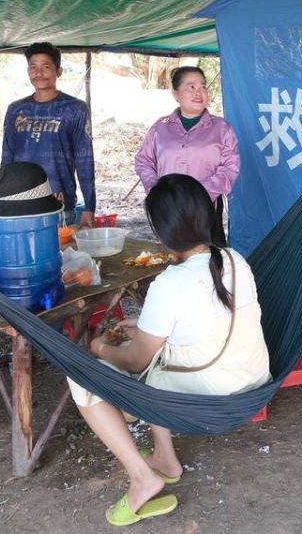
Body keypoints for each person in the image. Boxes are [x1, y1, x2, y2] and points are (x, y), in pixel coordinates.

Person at [69, 174, 271, 526]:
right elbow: (208, 319)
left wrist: (99, 347)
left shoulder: (170, 283)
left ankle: (142, 478)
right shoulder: (235, 259)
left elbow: (136, 360)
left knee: (80, 377)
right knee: (162, 358)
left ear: (162, 233)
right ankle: (164, 458)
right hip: (253, 382)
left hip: (210, 397)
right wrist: (146, 327)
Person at [134, 65, 239, 246]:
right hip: (169, 208)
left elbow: (230, 168)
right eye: (191, 87)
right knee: (172, 255)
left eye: (203, 87)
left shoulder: (221, 128)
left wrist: (199, 194)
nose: (199, 92)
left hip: (205, 207)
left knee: (207, 256)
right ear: (176, 94)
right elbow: (144, 161)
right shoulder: (160, 127)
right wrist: (157, 190)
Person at [0, 42, 95, 229]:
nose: (39, 73)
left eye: (46, 67)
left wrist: (89, 206)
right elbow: (7, 158)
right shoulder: (15, 110)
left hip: (58, 204)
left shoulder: (75, 109)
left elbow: (84, 160)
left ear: (59, 71)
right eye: (33, 67)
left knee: (58, 247)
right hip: (21, 203)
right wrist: (2, 199)